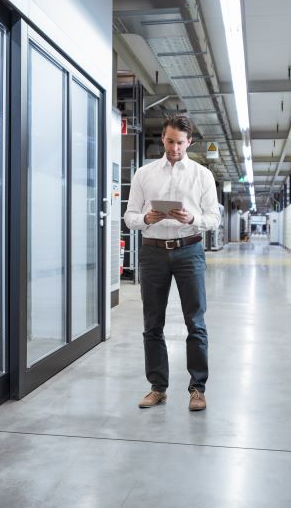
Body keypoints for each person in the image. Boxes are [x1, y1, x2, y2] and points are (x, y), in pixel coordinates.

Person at [124, 115, 220, 411]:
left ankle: (197, 388)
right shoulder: (145, 174)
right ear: (163, 139)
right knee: (152, 323)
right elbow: (129, 217)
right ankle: (157, 387)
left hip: (189, 250)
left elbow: (214, 219)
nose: (174, 147)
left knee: (196, 321)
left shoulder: (202, 175)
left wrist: (192, 218)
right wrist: (146, 219)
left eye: (180, 142)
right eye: (169, 141)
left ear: (189, 141)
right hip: (153, 252)